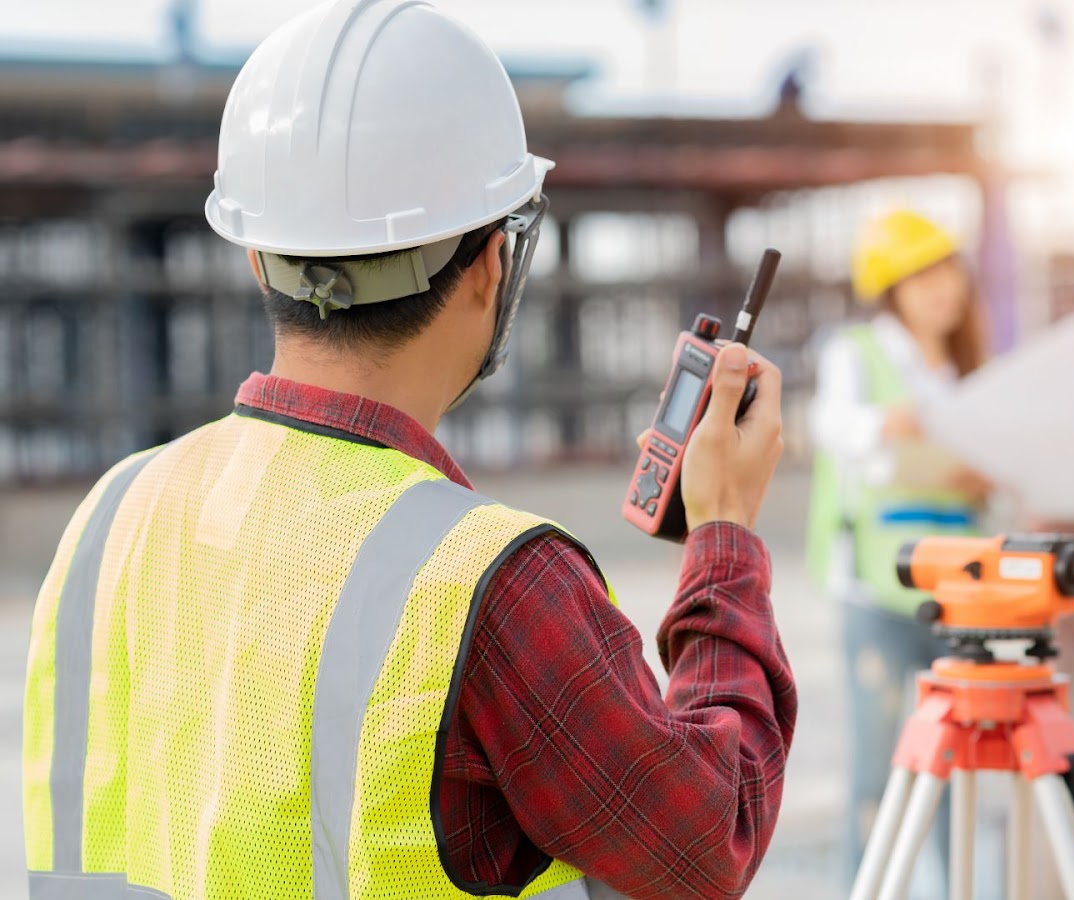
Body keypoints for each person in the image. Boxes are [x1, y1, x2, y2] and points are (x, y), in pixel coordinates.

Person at [21, 3, 794, 898]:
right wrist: (724, 534)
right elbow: (704, 843)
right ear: (491, 267)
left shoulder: (113, 513)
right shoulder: (492, 582)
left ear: (255, 257)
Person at [806, 210, 990, 886]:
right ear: (892, 287)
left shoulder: (966, 372)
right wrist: (891, 424)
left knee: (956, 769)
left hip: (957, 596)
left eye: (948, 270)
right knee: (876, 774)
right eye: (922, 275)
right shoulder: (857, 352)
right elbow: (833, 428)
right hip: (877, 597)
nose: (943, 288)